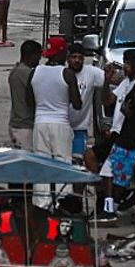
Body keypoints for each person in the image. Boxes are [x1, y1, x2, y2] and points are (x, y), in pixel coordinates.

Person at [26, 36, 82, 207]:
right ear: (62, 53)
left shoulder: (35, 72)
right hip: (60, 123)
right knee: (62, 161)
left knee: (41, 161)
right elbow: (77, 103)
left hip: (40, 123)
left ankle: (41, 202)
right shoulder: (67, 74)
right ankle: (61, 201)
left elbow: (29, 101)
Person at [102, 49, 135, 220]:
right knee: (114, 174)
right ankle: (111, 208)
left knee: (115, 174)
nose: (124, 67)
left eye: (126, 63)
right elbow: (111, 101)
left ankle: (110, 209)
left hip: (131, 136)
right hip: (126, 135)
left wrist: (125, 106)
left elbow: (130, 111)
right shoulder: (133, 82)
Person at [67, 43, 106, 165]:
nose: (76, 60)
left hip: (80, 129)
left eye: (79, 57)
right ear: (68, 58)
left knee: (77, 164)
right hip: (61, 127)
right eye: (74, 57)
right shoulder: (61, 72)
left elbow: (112, 79)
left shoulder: (91, 72)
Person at [8, 40, 43, 150]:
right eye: (38, 56)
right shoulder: (26, 73)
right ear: (31, 55)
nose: (39, 59)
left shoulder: (16, 70)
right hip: (24, 124)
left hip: (18, 123)